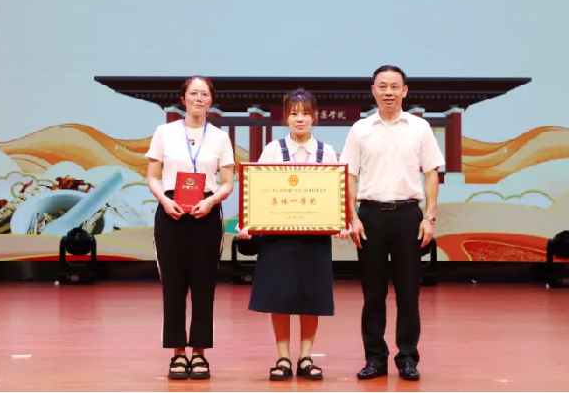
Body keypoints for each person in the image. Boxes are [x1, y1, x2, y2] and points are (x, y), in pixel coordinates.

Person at [338, 65, 445, 381]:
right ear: (373, 90)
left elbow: (431, 173)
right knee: (373, 294)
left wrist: (429, 216)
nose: (388, 92)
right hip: (369, 216)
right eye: (382, 86)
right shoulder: (360, 129)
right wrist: (352, 217)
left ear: (404, 91)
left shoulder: (419, 128)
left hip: (408, 216)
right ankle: (375, 358)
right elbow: (349, 175)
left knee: (408, 293)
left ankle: (407, 357)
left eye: (394, 86)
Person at [236, 88, 338, 381]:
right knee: (279, 297)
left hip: (315, 237)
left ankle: (306, 357)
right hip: (277, 238)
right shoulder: (272, 149)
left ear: (314, 117)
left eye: (305, 113)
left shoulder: (326, 152)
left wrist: (340, 221)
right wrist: (248, 224)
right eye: (294, 114)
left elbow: (335, 195)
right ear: (286, 118)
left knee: (311, 296)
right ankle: (282, 357)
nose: (300, 119)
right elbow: (257, 191)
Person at [146, 75, 235, 380]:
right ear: (183, 99)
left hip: (206, 212)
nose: (199, 99)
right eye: (193, 93)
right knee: (173, 286)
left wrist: (211, 202)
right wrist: (164, 200)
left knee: (203, 286)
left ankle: (199, 353)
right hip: (170, 211)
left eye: (204, 94)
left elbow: (227, 183)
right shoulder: (164, 133)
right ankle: (177, 354)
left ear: (211, 100)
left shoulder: (220, 138)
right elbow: (153, 176)